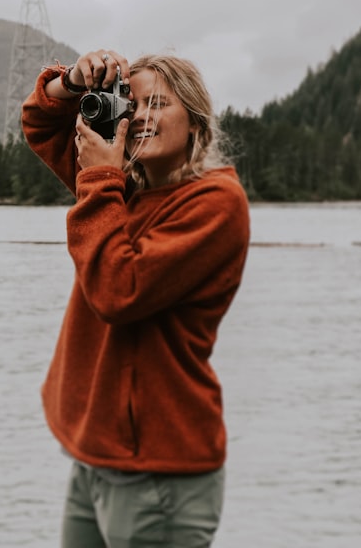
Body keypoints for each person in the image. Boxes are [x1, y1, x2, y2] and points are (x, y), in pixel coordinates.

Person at [21, 50, 251, 548]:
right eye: (133, 103)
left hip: (159, 473)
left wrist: (101, 177)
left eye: (159, 103)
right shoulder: (125, 190)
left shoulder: (216, 203)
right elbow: (40, 124)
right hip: (97, 458)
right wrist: (72, 82)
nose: (141, 116)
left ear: (195, 121)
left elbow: (116, 290)